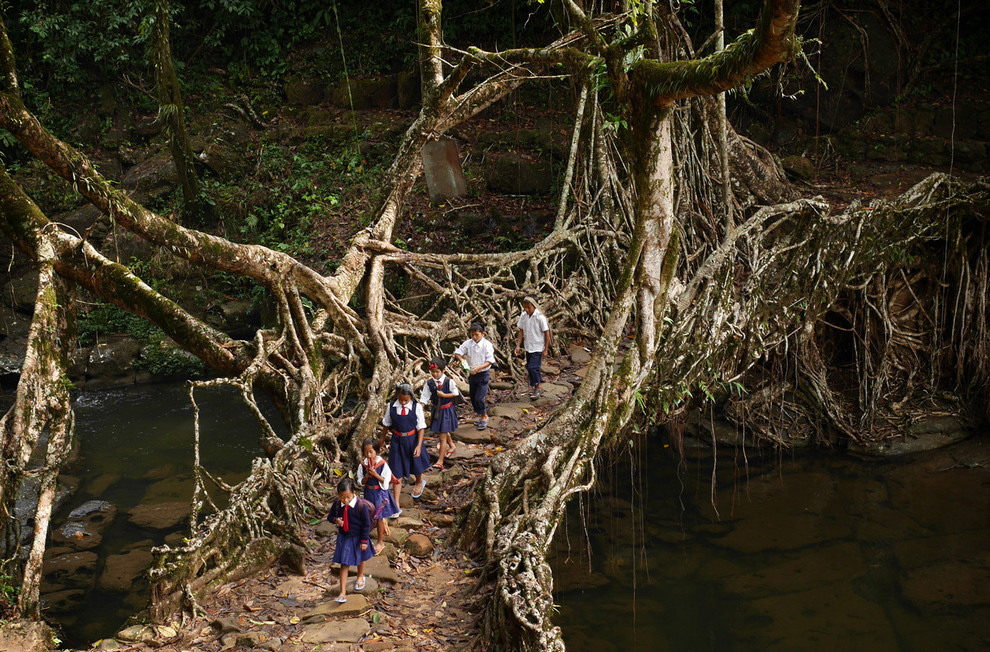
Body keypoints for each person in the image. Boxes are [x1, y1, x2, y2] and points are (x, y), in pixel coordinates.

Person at [380, 383, 431, 507]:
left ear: (411, 398)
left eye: (406, 400)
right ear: (397, 396)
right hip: (397, 440)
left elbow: (421, 427)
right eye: (400, 399)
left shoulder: (416, 407)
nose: (403, 402)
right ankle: (396, 504)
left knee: (416, 462)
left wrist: (419, 445)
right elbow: (387, 423)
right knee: (396, 470)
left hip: (412, 439)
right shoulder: (391, 406)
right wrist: (382, 438)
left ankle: (419, 482)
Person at [326, 477, 374, 603]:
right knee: (344, 563)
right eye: (342, 497)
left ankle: (360, 576)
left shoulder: (360, 505)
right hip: (345, 537)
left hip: (358, 536)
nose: (345, 500)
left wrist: (364, 541)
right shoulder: (337, 504)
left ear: (353, 493)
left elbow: (366, 524)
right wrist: (336, 520)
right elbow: (330, 517)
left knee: (360, 558)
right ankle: (342, 592)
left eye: (348, 497)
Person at [357, 437, 400, 551]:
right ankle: (365, 538)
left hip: (380, 493)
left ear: (376, 451)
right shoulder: (362, 465)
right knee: (368, 514)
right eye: (366, 452)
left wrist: (375, 475)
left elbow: (386, 481)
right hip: (368, 492)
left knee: (379, 516)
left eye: (371, 451)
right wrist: (367, 476)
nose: (368, 454)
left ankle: (380, 541)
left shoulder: (382, 464)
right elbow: (360, 482)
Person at [453, 321, 495, 430]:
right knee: (473, 396)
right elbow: (458, 352)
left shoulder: (487, 345)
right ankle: (481, 416)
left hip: (483, 374)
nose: (474, 337)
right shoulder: (468, 343)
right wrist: (462, 361)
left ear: (482, 334)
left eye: (477, 335)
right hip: (472, 374)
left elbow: (490, 360)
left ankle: (485, 416)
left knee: (479, 398)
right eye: (472, 335)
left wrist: (479, 368)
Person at [419, 357, 459, 469]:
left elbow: (455, 393)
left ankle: (440, 461)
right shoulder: (429, 383)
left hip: (446, 410)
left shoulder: (448, 381)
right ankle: (452, 446)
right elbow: (425, 396)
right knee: (443, 430)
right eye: (432, 372)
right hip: (436, 410)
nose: (435, 374)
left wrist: (444, 395)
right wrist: (420, 407)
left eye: (437, 372)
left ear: (443, 370)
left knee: (442, 436)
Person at [514, 297, 552, 400]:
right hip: (528, 346)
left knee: (532, 367)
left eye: (528, 307)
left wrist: (546, 349)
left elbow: (546, 333)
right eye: (525, 307)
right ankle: (538, 382)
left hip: (538, 347)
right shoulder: (523, 316)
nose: (526, 309)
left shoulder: (540, 317)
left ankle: (538, 388)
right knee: (530, 367)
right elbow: (521, 331)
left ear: (534, 306)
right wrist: (518, 345)